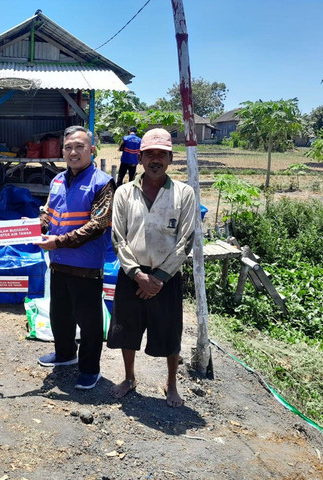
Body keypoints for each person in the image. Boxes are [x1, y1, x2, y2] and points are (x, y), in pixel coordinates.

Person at [107, 128, 196, 407]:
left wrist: (157, 278)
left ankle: (171, 384)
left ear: (170, 158)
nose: (155, 159)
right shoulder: (124, 192)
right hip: (131, 275)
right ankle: (129, 378)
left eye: (161, 154)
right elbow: (118, 237)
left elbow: (186, 240)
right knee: (127, 331)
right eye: (149, 154)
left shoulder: (184, 193)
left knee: (170, 333)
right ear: (140, 157)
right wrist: (137, 275)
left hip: (166, 278)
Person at [36, 125, 115, 390]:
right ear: (62, 151)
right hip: (58, 264)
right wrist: (37, 224)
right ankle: (65, 354)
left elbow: (98, 224)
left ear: (91, 150)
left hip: (86, 267)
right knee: (60, 316)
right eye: (68, 147)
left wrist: (58, 241)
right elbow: (49, 212)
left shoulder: (102, 183)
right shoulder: (57, 180)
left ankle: (90, 368)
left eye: (80, 146)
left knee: (89, 321)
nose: (73, 152)